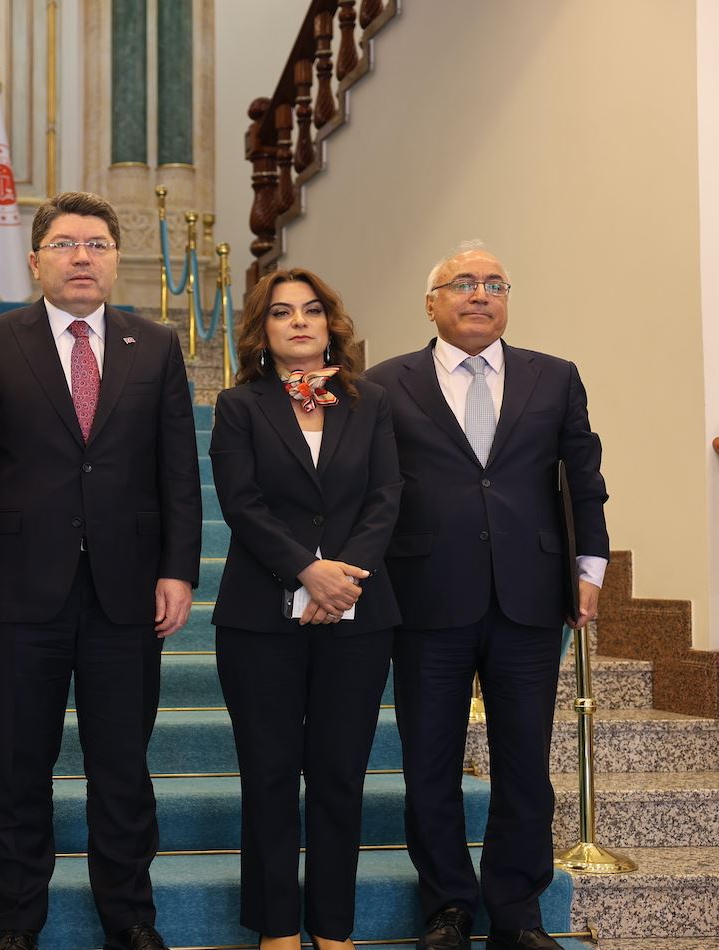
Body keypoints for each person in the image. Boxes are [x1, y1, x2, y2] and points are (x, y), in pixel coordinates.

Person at [0, 191, 202, 950]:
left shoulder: (156, 346)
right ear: (35, 260)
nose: (81, 257)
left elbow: (178, 469)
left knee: (122, 767)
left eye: (96, 245)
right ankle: (18, 919)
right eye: (64, 244)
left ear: (116, 259)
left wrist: (179, 568)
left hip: (129, 592)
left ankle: (131, 917)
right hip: (19, 595)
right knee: (18, 765)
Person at [367, 241, 609, 950]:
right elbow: (370, 490)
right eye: (463, 283)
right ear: (431, 303)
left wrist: (590, 568)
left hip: (530, 597)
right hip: (425, 597)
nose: (480, 294)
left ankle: (517, 912)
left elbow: (584, 478)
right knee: (430, 761)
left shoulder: (554, 377)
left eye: (495, 284)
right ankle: (447, 905)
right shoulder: (384, 384)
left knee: (525, 763)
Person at [210, 268, 402, 950]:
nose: (298, 321)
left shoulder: (371, 402)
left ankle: (333, 927)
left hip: (358, 612)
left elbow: (386, 496)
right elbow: (242, 503)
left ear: (330, 325)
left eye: (311, 310)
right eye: (282, 312)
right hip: (259, 618)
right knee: (267, 774)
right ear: (261, 330)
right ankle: (277, 929)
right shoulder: (238, 406)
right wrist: (306, 571)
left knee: (339, 775)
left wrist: (340, 579)